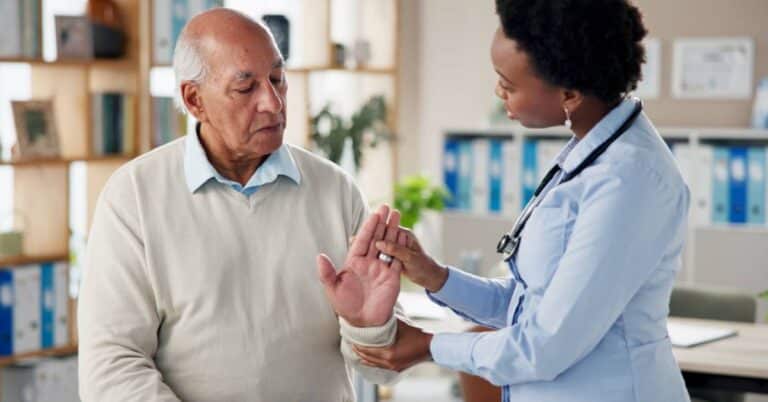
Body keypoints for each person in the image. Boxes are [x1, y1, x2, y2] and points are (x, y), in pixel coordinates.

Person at [347, 0, 692, 401]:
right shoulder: (590, 156)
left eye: (508, 84)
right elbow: (528, 306)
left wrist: (429, 345)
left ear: (569, 93)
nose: (499, 92)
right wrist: (435, 276)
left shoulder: (630, 180)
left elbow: (544, 345)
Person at [78, 8, 403, 401]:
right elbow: (111, 369)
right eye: (246, 88)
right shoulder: (133, 197)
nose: (272, 102)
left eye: (278, 79)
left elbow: (378, 367)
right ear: (194, 99)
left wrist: (368, 326)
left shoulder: (335, 190)